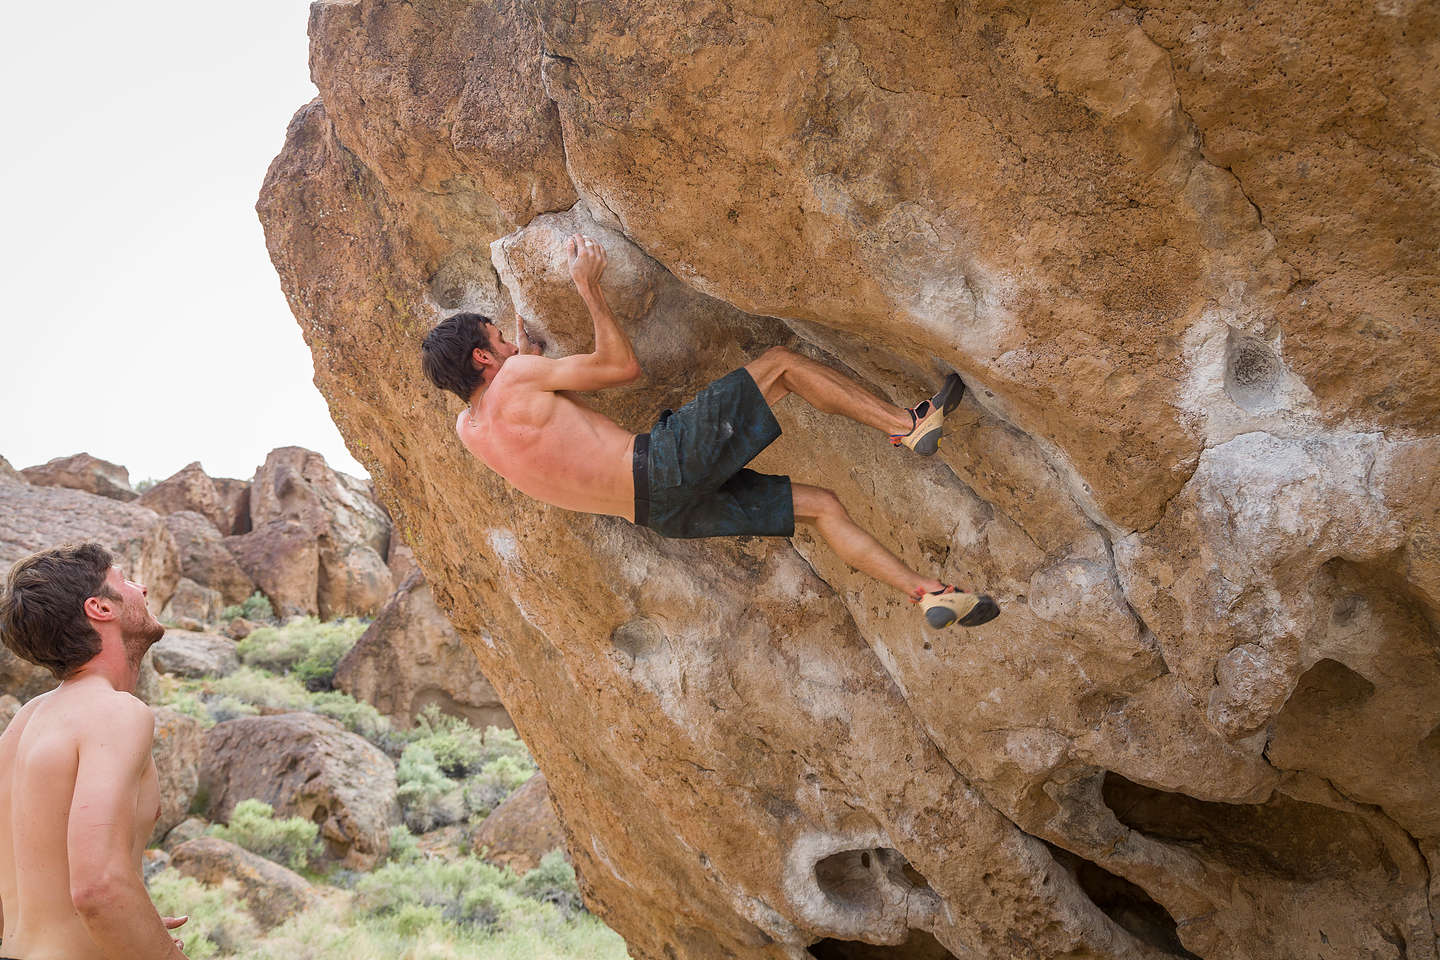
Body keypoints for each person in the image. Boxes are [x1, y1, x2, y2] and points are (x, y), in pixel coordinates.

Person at [421, 233, 999, 629]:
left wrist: (524, 361)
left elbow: (553, 432)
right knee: (781, 364)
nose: (507, 342)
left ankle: (926, 593)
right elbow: (621, 368)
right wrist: (588, 287)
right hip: (662, 464)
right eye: (497, 338)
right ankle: (909, 426)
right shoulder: (518, 377)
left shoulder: (469, 432)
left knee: (822, 507)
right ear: (481, 358)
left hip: (661, 515)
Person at [0, 543, 190, 959]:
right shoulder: (114, 712)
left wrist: (130, 926)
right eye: (125, 580)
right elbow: (99, 888)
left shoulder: (25, 723)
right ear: (101, 608)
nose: (141, 587)